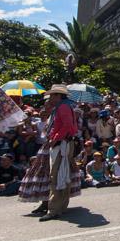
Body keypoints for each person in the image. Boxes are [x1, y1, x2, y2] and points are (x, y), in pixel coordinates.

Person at [40, 85, 78, 221]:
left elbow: (66, 126)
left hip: (61, 143)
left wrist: (54, 139)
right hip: (66, 142)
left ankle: (54, 209)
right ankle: (62, 206)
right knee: (64, 173)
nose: (50, 98)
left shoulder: (62, 107)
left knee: (55, 176)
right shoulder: (66, 106)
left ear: (58, 95)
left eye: (52, 95)